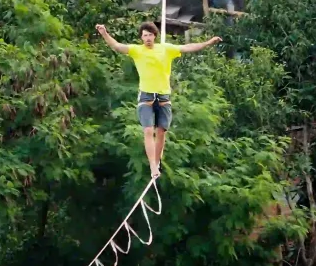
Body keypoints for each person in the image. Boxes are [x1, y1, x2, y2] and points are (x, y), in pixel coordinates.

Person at [95, 21, 222, 179]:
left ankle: (157, 160)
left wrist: (208, 42)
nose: (147, 38)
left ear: (155, 35)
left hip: (163, 96)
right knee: (148, 130)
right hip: (146, 95)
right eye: (145, 35)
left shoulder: (165, 49)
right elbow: (117, 46)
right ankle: (153, 165)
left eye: (150, 35)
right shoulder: (137, 50)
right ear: (141, 37)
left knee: (161, 131)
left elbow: (188, 47)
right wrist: (104, 33)